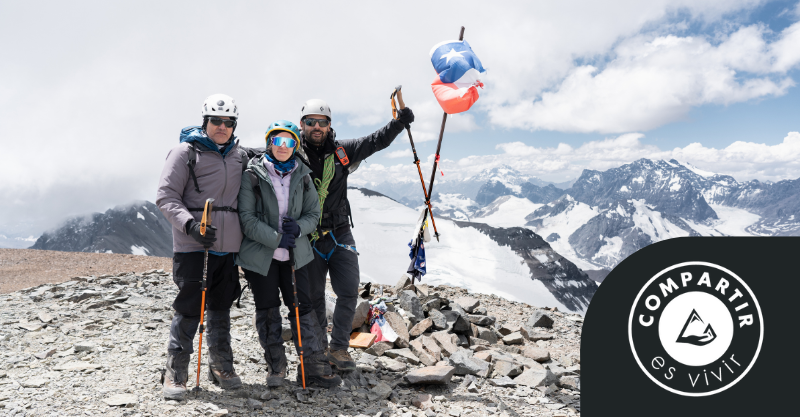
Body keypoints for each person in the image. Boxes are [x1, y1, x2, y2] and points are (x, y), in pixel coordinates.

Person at [297, 99, 415, 371]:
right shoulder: (291, 152)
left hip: (339, 232)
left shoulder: (342, 151)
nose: (317, 127)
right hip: (308, 236)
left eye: (322, 122)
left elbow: (375, 141)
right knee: (314, 295)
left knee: (349, 291)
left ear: (329, 125)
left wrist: (398, 124)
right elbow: (257, 153)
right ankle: (318, 349)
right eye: (311, 122)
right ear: (302, 124)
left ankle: (339, 348)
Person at [237, 120, 341, 388]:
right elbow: (247, 219)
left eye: (290, 142)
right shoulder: (252, 174)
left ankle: (313, 368)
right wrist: (277, 238)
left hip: (296, 254)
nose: (284, 147)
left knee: (302, 308)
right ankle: (276, 368)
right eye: (278, 141)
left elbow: (313, 214)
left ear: (296, 145)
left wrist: (300, 228)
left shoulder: (303, 176)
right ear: (269, 143)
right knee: (267, 308)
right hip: (263, 256)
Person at [156, 94, 245, 400]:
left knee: (221, 306)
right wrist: (191, 225)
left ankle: (221, 366)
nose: (222, 126)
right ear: (205, 121)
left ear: (234, 125)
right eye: (216, 121)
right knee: (189, 307)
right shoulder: (184, 153)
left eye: (228, 122)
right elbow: (166, 196)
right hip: (192, 246)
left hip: (227, 247)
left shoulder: (239, 156)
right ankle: (176, 371)